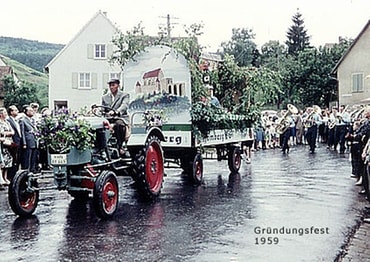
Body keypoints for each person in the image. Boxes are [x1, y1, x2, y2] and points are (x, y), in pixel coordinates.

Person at [102, 78, 130, 155]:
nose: (111, 87)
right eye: (110, 85)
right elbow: (102, 109)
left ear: (118, 85)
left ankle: (120, 146)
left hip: (120, 117)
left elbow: (124, 106)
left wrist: (116, 112)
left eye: (113, 85)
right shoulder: (105, 97)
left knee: (119, 124)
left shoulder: (124, 95)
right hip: (109, 119)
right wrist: (96, 111)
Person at [19, 105, 38, 172]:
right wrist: (24, 143)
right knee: (28, 157)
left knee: (34, 157)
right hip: (28, 141)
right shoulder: (23, 120)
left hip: (34, 140)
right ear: (26, 112)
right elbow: (22, 132)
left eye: (32, 111)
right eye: (30, 111)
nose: (32, 112)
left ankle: (33, 169)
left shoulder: (33, 120)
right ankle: (27, 171)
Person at [6, 105, 22, 180]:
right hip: (13, 143)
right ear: (11, 112)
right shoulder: (9, 120)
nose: (17, 111)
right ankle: (11, 177)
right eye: (15, 110)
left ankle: (15, 175)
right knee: (13, 160)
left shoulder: (16, 120)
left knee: (17, 160)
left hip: (19, 142)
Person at [0, 107, 15, 185]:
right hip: (2, 143)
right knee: (2, 161)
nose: (6, 114)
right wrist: (6, 133)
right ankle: (1, 178)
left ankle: (5, 177)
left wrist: (7, 133)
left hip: (9, 142)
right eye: (4, 112)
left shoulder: (7, 122)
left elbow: (12, 132)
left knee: (8, 160)